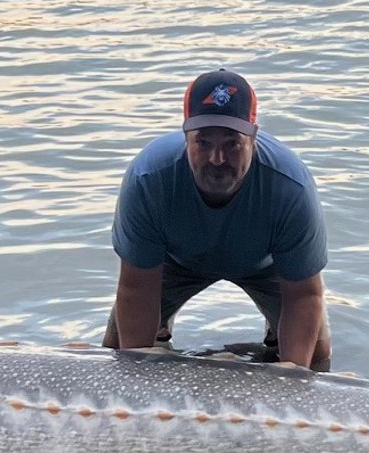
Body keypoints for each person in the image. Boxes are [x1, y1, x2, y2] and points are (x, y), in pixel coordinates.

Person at [103, 69, 331, 370]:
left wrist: (291, 378)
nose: (217, 159)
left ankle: (271, 349)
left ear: (253, 137)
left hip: (266, 266)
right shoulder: (148, 179)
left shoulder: (291, 187)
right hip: (175, 262)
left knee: (315, 360)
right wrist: (137, 372)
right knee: (119, 353)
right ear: (186, 138)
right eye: (203, 143)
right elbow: (136, 288)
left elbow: (303, 295)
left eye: (231, 144)